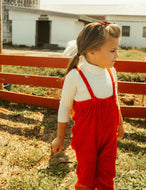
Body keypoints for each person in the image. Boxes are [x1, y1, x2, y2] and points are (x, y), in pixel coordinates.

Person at [52, 21, 124, 190]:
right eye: (112, 51)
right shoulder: (75, 77)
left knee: (107, 175)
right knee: (86, 177)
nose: (117, 55)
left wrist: (120, 122)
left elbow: (115, 100)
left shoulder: (111, 72)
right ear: (91, 52)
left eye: (117, 50)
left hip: (108, 137)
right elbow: (64, 107)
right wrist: (60, 136)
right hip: (86, 139)